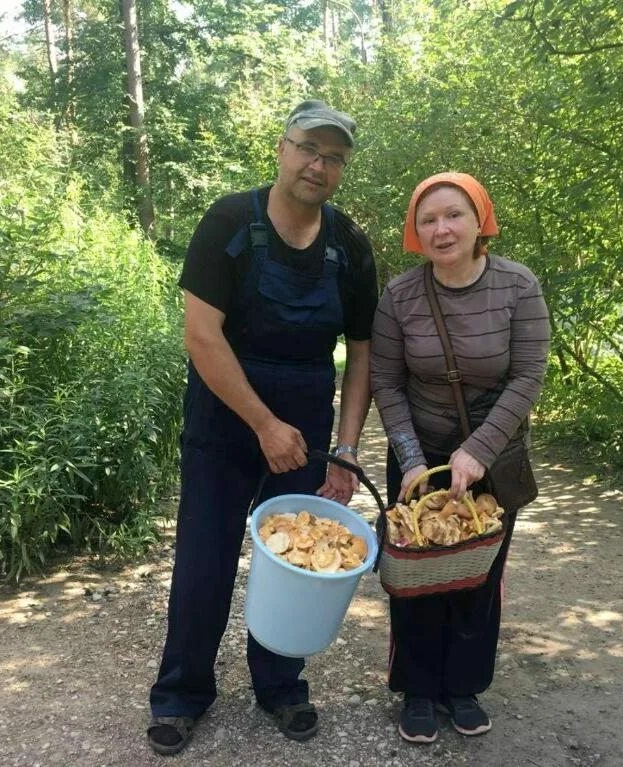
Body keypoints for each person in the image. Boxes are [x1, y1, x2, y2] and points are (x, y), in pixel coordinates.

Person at [146, 100, 378, 756]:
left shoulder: (350, 245)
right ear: (281, 148)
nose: (319, 164)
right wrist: (263, 423)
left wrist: (345, 447)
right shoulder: (229, 222)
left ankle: (280, 685)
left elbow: (362, 351)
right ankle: (181, 693)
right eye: (309, 148)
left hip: (304, 424)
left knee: (295, 560)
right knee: (203, 559)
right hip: (224, 420)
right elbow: (201, 335)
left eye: (333, 157)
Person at [370, 172, 550, 744]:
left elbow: (527, 376)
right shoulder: (399, 296)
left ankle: (463, 687)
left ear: (479, 222)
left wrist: (477, 452)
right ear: (414, 231)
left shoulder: (519, 286)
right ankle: (418, 690)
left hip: (492, 455)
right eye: (428, 220)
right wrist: (411, 457)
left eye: (453, 215)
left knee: (477, 571)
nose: (441, 229)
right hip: (419, 456)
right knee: (415, 573)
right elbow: (386, 381)